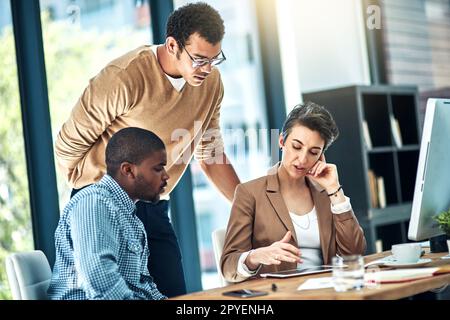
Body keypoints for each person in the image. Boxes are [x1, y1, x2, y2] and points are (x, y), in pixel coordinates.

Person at [54, 3, 240, 297]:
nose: (206, 68)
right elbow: (67, 146)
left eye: (214, 59)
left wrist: (250, 209)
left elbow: (211, 155)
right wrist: (94, 194)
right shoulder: (124, 77)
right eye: (199, 59)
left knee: (174, 293)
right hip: (103, 207)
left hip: (153, 206)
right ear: (172, 45)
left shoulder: (211, 85)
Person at [220, 102, 366, 283]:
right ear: (281, 142)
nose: (303, 159)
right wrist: (255, 256)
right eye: (297, 147)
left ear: (321, 156)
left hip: (327, 290)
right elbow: (228, 266)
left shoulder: (326, 194)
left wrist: (334, 189)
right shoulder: (249, 193)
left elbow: (355, 253)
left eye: (313, 152)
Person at [48, 127, 169, 300]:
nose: (166, 176)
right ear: (128, 170)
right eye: (158, 169)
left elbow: (143, 285)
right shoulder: (93, 203)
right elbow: (103, 286)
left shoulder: (131, 218)